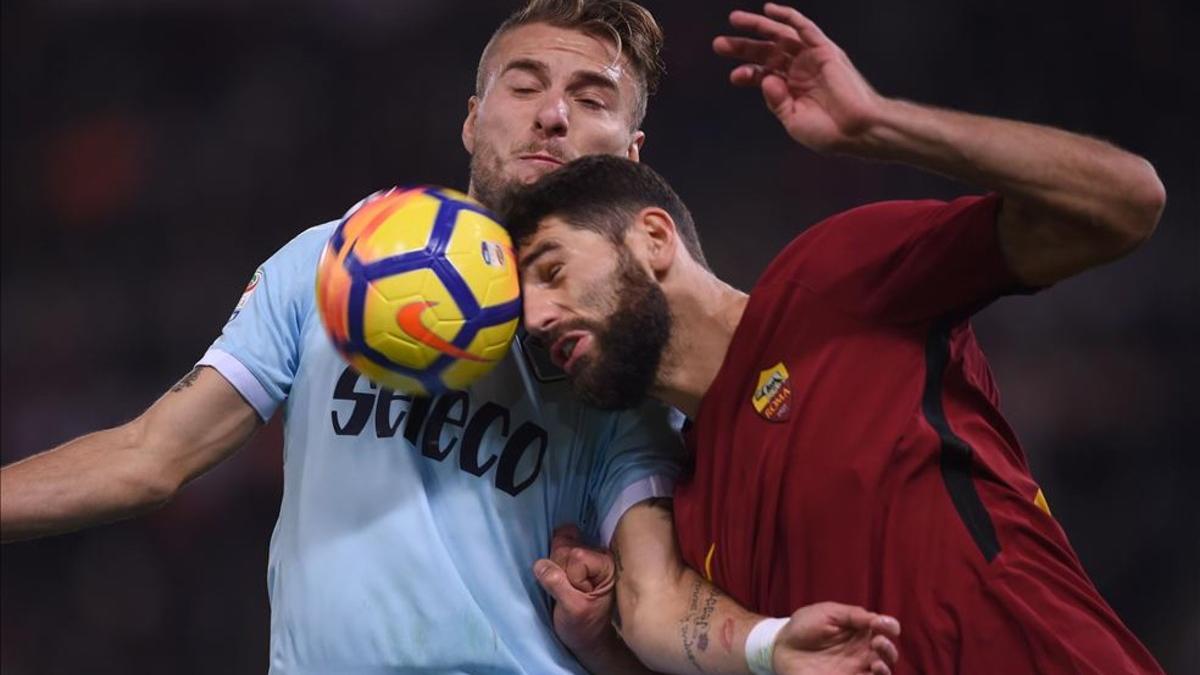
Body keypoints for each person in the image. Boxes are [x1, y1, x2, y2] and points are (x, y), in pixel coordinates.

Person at [0, 1, 902, 674]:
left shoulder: (622, 358)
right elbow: (150, 455)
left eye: (591, 98)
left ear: (631, 155)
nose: (553, 115)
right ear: (474, 118)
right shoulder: (336, 260)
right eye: (525, 85)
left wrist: (771, 643)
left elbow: (655, 596)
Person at [502, 3, 1168, 673]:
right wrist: (600, 645)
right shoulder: (695, 517)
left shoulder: (833, 281)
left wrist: (878, 121)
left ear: (652, 237)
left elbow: (1126, 204)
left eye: (553, 271)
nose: (538, 317)